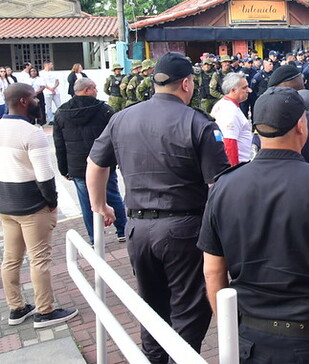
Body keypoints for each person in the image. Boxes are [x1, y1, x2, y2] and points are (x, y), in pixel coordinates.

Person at [199, 87, 309, 363]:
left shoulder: (225, 186)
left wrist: (228, 327)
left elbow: (213, 271)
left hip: (254, 335)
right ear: (300, 125)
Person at [87, 53, 229, 363]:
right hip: (185, 229)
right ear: (187, 84)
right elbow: (218, 187)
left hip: (138, 227)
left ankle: (153, 358)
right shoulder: (198, 122)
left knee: (150, 302)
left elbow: (95, 164)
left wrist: (100, 205)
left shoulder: (122, 118)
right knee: (190, 307)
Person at [0, 83, 79, 328]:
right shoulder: (31, 133)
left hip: (5, 202)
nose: (38, 101)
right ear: (24, 101)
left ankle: (16, 307)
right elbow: (45, 176)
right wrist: (52, 204)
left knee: (11, 258)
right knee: (39, 259)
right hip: (31, 205)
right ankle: (44, 311)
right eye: (35, 98)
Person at [53, 78, 127, 245]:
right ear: (86, 90)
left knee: (87, 202)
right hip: (103, 164)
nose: (96, 91)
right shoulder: (105, 110)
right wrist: (115, 162)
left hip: (77, 167)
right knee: (112, 196)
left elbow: (59, 144)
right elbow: (117, 138)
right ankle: (122, 230)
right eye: (94, 88)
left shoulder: (61, 113)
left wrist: (64, 169)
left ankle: (94, 238)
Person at [211, 72, 253, 165]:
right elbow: (229, 143)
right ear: (233, 90)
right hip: (238, 165)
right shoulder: (230, 111)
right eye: (244, 87)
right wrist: (233, 170)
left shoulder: (222, 104)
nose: (249, 90)